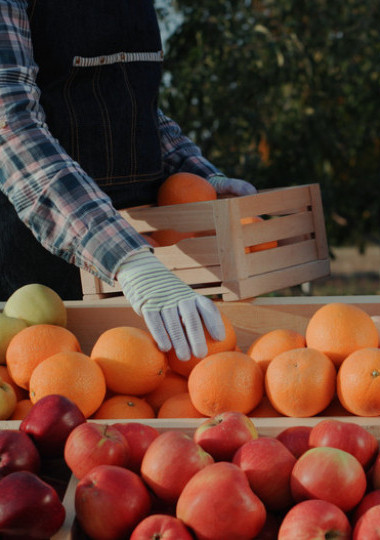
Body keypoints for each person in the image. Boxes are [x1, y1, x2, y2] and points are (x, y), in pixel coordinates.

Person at [0, 1, 256, 361]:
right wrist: (128, 260)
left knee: (140, 388)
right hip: (35, 272)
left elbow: (131, 102)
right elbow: (10, 127)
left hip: (150, 272)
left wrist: (196, 172)